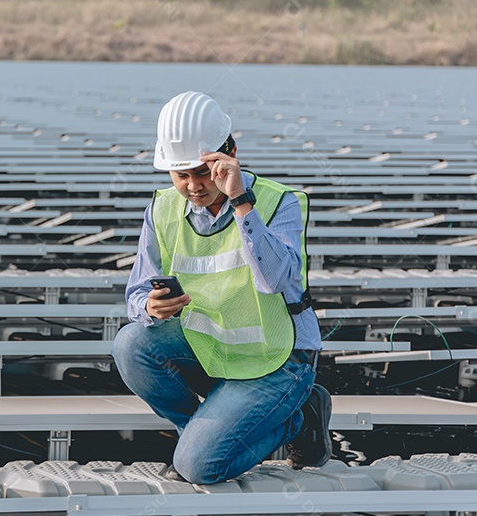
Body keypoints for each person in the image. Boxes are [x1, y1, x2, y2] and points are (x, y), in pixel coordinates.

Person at [112, 91, 330, 484]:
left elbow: (276, 280)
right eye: (182, 176)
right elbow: (136, 295)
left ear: (228, 155)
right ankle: (198, 436)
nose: (194, 186)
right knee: (131, 343)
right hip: (213, 348)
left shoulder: (278, 202)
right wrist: (151, 307)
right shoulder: (162, 208)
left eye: (202, 172)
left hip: (278, 359)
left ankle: (297, 421)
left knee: (200, 468)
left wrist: (241, 202)